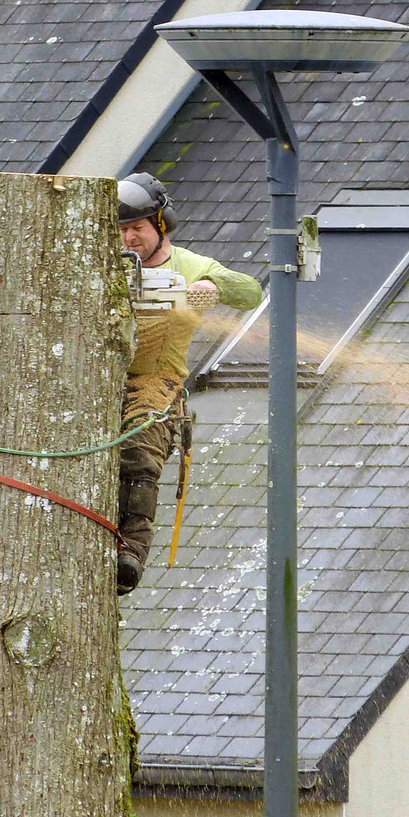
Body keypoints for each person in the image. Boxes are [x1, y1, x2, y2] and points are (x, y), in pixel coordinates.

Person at [116, 172, 262, 594]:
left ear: (162, 224)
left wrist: (211, 287)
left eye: (138, 229)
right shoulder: (104, 263)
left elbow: (251, 292)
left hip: (158, 380)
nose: (129, 239)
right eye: (122, 230)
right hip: (102, 379)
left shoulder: (191, 266)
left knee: (139, 454)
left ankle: (131, 551)